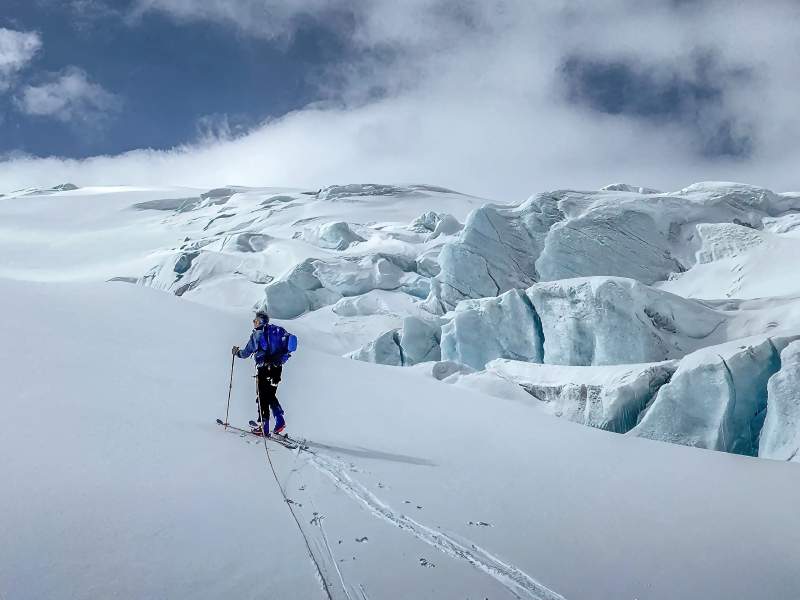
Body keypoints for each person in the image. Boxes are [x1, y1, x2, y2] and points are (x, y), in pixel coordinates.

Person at [232, 310, 297, 436]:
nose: (254, 323)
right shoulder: (277, 331)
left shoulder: (257, 334)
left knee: (262, 397)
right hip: (277, 368)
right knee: (270, 395)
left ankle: (264, 427)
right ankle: (280, 420)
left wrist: (237, 353)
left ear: (261, 321)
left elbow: (246, 352)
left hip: (264, 368)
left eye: (256, 321)